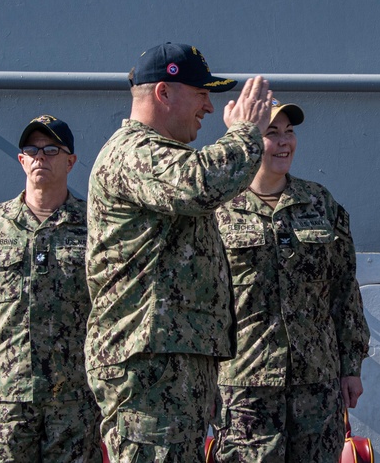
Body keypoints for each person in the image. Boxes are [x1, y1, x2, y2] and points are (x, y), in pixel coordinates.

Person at [85, 42, 272, 463]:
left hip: (172, 365)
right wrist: (246, 133)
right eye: (201, 93)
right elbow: (200, 184)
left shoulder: (161, 155)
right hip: (148, 367)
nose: (209, 107)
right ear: (163, 94)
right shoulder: (131, 153)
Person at [213, 101, 370, 463]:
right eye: (272, 133)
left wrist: (351, 367)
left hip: (316, 381)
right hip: (245, 385)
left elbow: (344, 289)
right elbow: (206, 302)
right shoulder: (219, 210)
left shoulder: (320, 203)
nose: (284, 142)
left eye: (289, 132)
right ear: (249, 142)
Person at [0, 115, 101, 462]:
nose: (40, 157)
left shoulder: (96, 227)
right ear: (22, 160)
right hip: (7, 396)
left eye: (51, 149)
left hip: (76, 398)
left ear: (70, 161)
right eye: (32, 150)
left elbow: (112, 307)